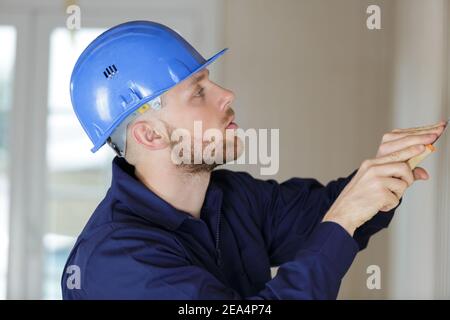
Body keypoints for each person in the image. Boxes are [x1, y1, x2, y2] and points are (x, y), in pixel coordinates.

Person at [61, 20, 447, 299]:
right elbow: (339, 220)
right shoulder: (117, 261)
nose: (226, 94)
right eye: (198, 92)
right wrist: (343, 217)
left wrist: (384, 170)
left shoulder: (230, 197)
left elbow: (330, 213)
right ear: (150, 134)